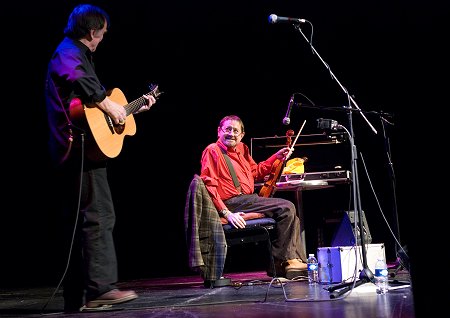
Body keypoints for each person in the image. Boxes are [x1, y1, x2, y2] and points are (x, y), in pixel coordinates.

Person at [45, 4, 157, 312]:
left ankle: (77, 296)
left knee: (87, 219)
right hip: (76, 150)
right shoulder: (68, 53)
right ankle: (101, 290)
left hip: (86, 147)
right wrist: (109, 105)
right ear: (93, 32)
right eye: (103, 33)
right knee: (100, 216)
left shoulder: (78, 53)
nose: (103, 38)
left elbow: (97, 108)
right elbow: (82, 83)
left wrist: (129, 109)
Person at [200, 115, 307, 279]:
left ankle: (293, 262)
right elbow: (209, 185)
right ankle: (282, 262)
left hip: (247, 199)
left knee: (291, 216)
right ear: (219, 131)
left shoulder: (242, 149)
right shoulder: (212, 150)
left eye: (236, 131)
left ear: (242, 135)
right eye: (227, 129)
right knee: (286, 207)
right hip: (232, 202)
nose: (231, 134)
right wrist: (226, 213)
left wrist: (276, 157)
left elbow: (255, 172)